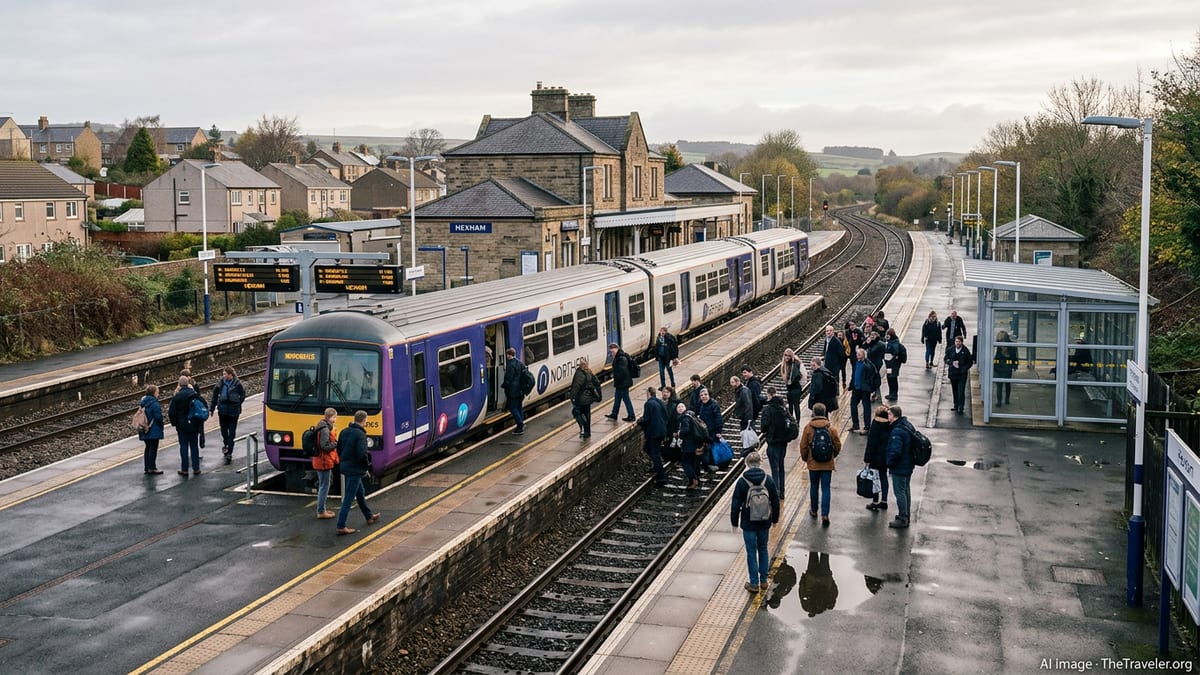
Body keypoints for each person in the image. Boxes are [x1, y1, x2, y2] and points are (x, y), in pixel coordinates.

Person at [730, 450, 780, 593]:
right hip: (764, 521)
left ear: (747, 464)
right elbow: (775, 501)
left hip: (748, 523)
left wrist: (734, 522)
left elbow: (735, 504)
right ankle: (763, 581)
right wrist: (775, 519)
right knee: (763, 549)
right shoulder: (768, 480)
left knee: (751, 552)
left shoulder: (742, 482)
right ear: (760, 463)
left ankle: (754, 583)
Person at [335, 410, 381, 535]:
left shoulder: (344, 431)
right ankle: (341, 525)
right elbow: (362, 454)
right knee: (349, 498)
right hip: (355, 469)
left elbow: (338, 448)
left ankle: (369, 516)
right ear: (364, 420)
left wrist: (344, 460)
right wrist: (367, 465)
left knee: (360, 493)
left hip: (345, 466)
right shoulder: (360, 435)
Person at [799, 402, 841, 527]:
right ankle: (825, 514)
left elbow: (803, 447)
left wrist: (806, 459)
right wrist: (833, 456)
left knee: (814, 486)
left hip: (813, 464)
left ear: (813, 413)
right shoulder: (831, 429)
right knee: (826, 488)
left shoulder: (808, 428)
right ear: (824, 413)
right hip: (827, 464)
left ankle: (814, 510)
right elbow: (837, 445)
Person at [759, 386, 792, 502]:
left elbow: (763, 428)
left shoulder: (768, 409)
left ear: (769, 395)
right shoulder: (784, 408)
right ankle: (782, 492)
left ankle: (776, 493)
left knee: (774, 469)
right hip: (783, 443)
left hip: (773, 443)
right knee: (781, 467)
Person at [167, 375, 204, 476]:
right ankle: (196, 468)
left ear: (179, 384)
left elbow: (171, 413)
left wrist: (175, 423)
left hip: (182, 425)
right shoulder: (194, 394)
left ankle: (184, 469)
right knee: (194, 446)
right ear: (188, 384)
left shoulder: (177, 397)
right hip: (194, 423)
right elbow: (202, 405)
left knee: (183, 446)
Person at [885, 405, 915, 529]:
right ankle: (906, 515)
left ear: (893, 415)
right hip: (908, 464)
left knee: (900, 492)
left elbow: (895, 451)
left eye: (889, 414)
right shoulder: (907, 425)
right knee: (906, 490)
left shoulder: (897, 431)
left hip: (900, 466)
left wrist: (889, 463)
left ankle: (903, 517)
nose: (888, 417)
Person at [209, 366, 247, 464]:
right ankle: (226, 443)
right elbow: (214, 396)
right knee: (223, 431)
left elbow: (243, 395)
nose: (224, 376)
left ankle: (229, 451)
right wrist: (212, 408)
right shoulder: (220, 383)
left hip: (233, 412)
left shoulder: (237, 384)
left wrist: (238, 403)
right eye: (223, 374)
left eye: (225, 374)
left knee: (232, 432)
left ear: (231, 375)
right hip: (223, 411)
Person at [638, 386, 669, 486]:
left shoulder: (649, 403)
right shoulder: (660, 402)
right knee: (649, 448)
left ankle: (661, 477)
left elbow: (646, 419)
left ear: (648, 393)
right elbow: (666, 416)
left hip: (654, 432)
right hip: (662, 431)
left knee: (653, 452)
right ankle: (657, 466)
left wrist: (640, 422)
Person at [863, 406, 892, 511]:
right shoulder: (890, 425)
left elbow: (871, 443)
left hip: (875, 456)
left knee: (874, 479)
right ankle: (884, 501)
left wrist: (867, 459)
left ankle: (875, 501)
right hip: (885, 456)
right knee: (883, 477)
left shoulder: (875, 424)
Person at [313, 408, 339, 519]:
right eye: (334, 417)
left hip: (321, 460)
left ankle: (322, 509)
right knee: (324, 486)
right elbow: (325, 446)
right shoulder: (325, 429)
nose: (335, 419)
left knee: (324, 484)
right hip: (323, 462)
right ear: (330, 417)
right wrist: (336, 444)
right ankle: (321, 511)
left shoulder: (322, 426)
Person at [797, 551, 839, 617]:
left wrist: (831, 580)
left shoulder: (829, 607)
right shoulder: (807, 607)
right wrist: (803, 579)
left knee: (824, 557)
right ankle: (815, 545)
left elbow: (834, 592)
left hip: (825, 579)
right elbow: (802, 591)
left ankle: (824, 545)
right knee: (813, 554)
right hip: (811, 578)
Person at [569, 359, 602, 438]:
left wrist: (572, 398)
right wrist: (598, 393)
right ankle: (588, 431)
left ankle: (584, 430)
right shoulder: (589, 372)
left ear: (580, 365)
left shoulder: (579, 374)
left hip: (580, 399)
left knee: (578, 413)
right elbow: (597, 382)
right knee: (587, 415)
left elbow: (575, 387)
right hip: (588, 399)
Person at [849, 347, 879, 435]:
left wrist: (872, 388)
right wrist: (851, 385)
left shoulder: (868, 365)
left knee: (866, 407)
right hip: (856, 389)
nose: (857, 355)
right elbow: (854, 375)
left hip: (865, 390)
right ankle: (855, 424)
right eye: (857, 353)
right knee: (853, 405)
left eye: (859, 353)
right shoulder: (856, 363)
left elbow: (875, 376)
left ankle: (867, 427)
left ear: (863, 355)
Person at [605, 343, 637, 422]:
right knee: (617, 399)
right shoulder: (619, 357)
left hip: (623, 383)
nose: (611, 353)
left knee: (626, 400)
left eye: (612, 351)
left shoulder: (621, 358)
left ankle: (631, 415)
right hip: (620, 383)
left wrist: (615, 376)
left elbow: (622, 372)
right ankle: (614, 414)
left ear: (616, 349)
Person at [138, 384, 164, 475]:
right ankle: (152, 467)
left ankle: (147, 467)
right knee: (153, 448)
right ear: (154, 393)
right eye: (157, 392)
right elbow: (158, 417)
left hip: (144, 428)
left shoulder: (143, 402)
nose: (158, 394)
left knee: (148, 448)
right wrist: (161, 426)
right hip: (153, 428)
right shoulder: (154, 403)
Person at [502, 347, 528, 434]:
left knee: (513, 408)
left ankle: (520, 425)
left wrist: (504, 385)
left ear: (509, 355)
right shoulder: (519, 363)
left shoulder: (510, 365)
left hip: (513, 391)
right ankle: (521, 424)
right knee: (519, 407)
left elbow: (508, 378)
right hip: (520, 390)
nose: (506, 356)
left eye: (507, 354)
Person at [677, 402, 703, 490]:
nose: (680, 408)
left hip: (689, 444)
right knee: (693, 462)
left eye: (682, 406)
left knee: (685, 462)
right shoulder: (691, 415)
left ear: (685, 408)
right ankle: (695, 478)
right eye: (678, 407)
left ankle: (693, 479)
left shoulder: (685, 418)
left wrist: (680, 434)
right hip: (695, 443)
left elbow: (686, 430)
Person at [945, 335, 974, 413]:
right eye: (956, 341)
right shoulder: (950, 350)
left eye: (959, 342)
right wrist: (951, 362)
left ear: (962, 342)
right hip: (953, 373)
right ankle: (956, 405)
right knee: (954, 390)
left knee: (961, 391)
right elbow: (946, 359)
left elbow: (970, 362)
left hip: (962, 374)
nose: (957, 343)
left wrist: (964, 369)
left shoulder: (965, 351)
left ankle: (961, 407)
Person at [697, 388, 724, 471]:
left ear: (709, 395)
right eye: (701, 395)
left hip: (712, 430)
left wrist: (718, 431)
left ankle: (712, 464)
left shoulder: (714, 405)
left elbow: (718, 418)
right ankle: (706, 464)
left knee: (712, 447)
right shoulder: (700, 404)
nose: (703, 397)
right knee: (706, 447)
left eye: (705, 394)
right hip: (704, 431)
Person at [780, 348, 808, 421]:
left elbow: (803, 374)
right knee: (790, 406)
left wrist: (800, 384)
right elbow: (786, 379)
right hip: (789, 388)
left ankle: (797, 421)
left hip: (796, 387)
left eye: (789, 356)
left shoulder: (796, 363)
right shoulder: (784, 365)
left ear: (792, 356)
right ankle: (791, 421)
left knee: (796, 405)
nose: (787, 357)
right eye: (785, 355)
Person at [882, 327, 906, 401]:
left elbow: (895, 351)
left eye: (888, 335)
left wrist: (888, 345)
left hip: (894, 363)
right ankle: (891, 393)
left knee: (893, 378)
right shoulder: (888, 342)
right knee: (889, 378)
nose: (887, 336)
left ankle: (894, 394)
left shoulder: (894, 343)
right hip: (889, 363)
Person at [993, 330, 1017, 406]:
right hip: (1005, 368)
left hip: (1002, 367)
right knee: (1006, 384)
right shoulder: (1010, 346)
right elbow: (1014, 357)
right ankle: (1004, 400)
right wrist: (1015, 366)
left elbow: (997, 357)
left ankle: (1000, 401)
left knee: (1001, 385)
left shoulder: (1000, 346)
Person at [661, 386, 683, 461]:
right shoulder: (659, 403)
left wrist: (675, 431)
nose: (665, 394)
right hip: (662, 428)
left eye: (667, 392)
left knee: (670, 445)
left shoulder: (673, 405)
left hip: (670, 429)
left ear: (670, 394)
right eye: (664, 392)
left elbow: (675, 419)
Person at [865, 330, 885, 402]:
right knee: (872, 379)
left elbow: (871, 351)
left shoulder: (879, 344)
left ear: (877, 336)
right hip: (871, 363)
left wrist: (869, 344)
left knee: (874, 379)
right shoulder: (873, 343)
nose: (872, 337)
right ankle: (875, 394)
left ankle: (876, 395)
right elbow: (863, 347)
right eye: (871, 335)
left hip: (876, 364)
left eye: (874, 335)